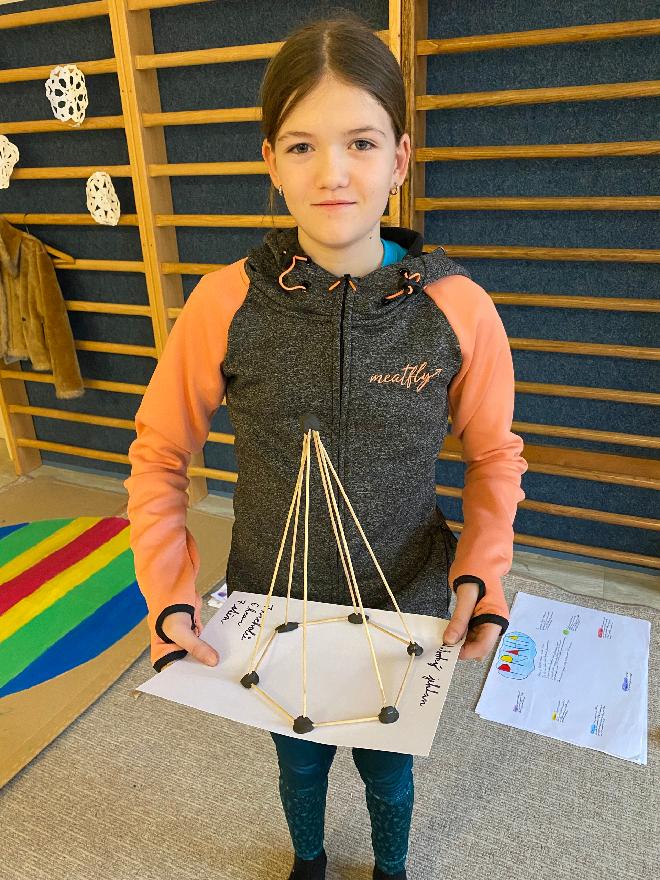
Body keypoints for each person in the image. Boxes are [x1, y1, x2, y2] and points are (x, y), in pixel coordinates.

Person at [123, 12, 528, 880]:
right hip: (274, 609)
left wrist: (482, 576)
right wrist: (168, 594)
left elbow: (495, 458)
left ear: (400, 158)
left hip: (406, 604)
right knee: (299, 764)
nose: (334, 172)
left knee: (389, 773)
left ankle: (391, 871)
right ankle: (307, 863)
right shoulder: (223, 303)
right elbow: (158, 457)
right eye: (302, 146)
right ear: (270, 161)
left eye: (361, 143)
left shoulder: (459, 308)